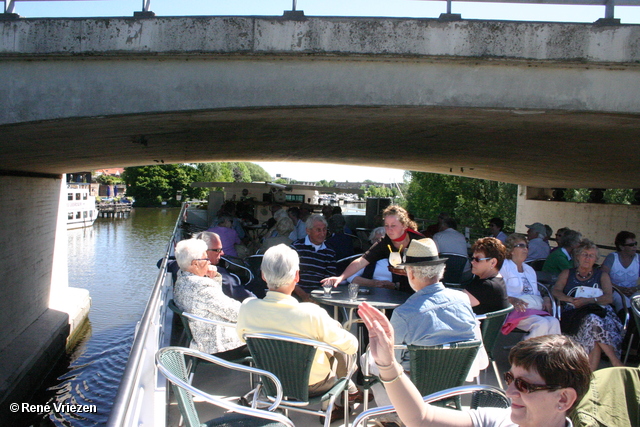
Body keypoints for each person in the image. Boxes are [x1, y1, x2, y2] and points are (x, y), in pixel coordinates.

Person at [358, 301, 592, 427]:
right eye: (510, 379)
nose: (508, 393)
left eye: (524, 386)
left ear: (563, 399)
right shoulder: (499, 419)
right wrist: (387, 364)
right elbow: (421, 418)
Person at [236, 244, 362, 419]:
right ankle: (343, 398)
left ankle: (349, 393)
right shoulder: (311, 313)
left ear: (263, 275)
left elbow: (242, 339)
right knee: (339, 343)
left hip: (271, 382)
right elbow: (351, 347)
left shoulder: (248, 307)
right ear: (297, 276)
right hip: (313, 385)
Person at [366, 238, 482, 420]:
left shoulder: (404, 314)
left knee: (368, 360)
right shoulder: (463, 300)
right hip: (454, 384)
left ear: (410, 274)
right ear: (441, 271)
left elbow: (390, 361)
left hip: (414, 392)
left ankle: (392, 418)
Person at [551, 239, 624, 371]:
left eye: (591, 255)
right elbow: (556, 291)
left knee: (592, 320)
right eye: (584, 254)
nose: (587, 258)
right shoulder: (567, 273)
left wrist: (588, 301)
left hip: (601, 313)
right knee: (592, 324)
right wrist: (570, 299)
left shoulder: (602, 275)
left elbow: (608, 298)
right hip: (574, 315)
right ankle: (615, 362)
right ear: (578, 256)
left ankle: (591, 374)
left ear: (596, 259)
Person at [321, 205, 424, 294]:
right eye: (386, 226)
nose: (389, 229)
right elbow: (361, 261)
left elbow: (430, 273)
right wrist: (341, 277)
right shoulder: (385, 242)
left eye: (393, 226)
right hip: (397, 291)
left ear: (404, 226)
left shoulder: (420, 242)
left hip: (421, 288)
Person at [173, 238, 248, 359]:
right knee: (267, 343)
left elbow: (214, 302)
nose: (209, 262)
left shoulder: (181, 278)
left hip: (202, 341)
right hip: (219, 347)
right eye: (206, 258)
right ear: (195, 263)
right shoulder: (202, 287)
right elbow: (236, 313)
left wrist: (213, 278)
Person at [500, 233, 561, 339]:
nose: (526, 249)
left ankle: (551, 353)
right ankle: (526, 353)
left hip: (532, 307)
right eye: (521, 246)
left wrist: (546, 298)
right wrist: (510, 299)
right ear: (511, 250)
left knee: (554, 321)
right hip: (514, 309)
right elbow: (497, 290)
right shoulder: (503, 266)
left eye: (527, 246)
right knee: (541, 323)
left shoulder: (529, 270)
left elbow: (536, 292)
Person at [195, 231, 256, 302]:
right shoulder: (219, 274)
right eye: (218, 250)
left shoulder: (184, 272)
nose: (222, 253)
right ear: (205, 252)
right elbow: (244, 297)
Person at [291, 214, 337, 300]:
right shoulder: (296, 247)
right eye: (318, 230)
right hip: (296, 294)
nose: (322, 234)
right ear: (308, 231)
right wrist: (304, 295)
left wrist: (318, 298)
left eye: (324, 230)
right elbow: (288, 277)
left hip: (320, 295)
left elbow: (329, 279)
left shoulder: (330, 251)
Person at [463, 237, 510, 315]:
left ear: (493, 262)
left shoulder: (487, 286)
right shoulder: (497, 281)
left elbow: (454, 303)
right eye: (472, 258)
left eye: (477, 259)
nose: (472, 262)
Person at [601, 230, 640, 313]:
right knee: (623, 303)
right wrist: (618, 288)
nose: (635, 247)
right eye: (631, 245)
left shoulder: (638, 259)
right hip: (615, 291)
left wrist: (635, 288)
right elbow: (601, 277)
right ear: (621, 247)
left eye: (635, 244)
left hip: (633, 291)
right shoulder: (612, 258)